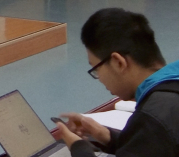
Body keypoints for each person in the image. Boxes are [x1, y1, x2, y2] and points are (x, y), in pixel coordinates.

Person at [55, 8, 179, 156]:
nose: (99, 78)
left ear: (118, 62)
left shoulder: (152, 119)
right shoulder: (170, 92)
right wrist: (108, 137)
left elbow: (153, 136)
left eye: (96, 69)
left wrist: (78, 146)